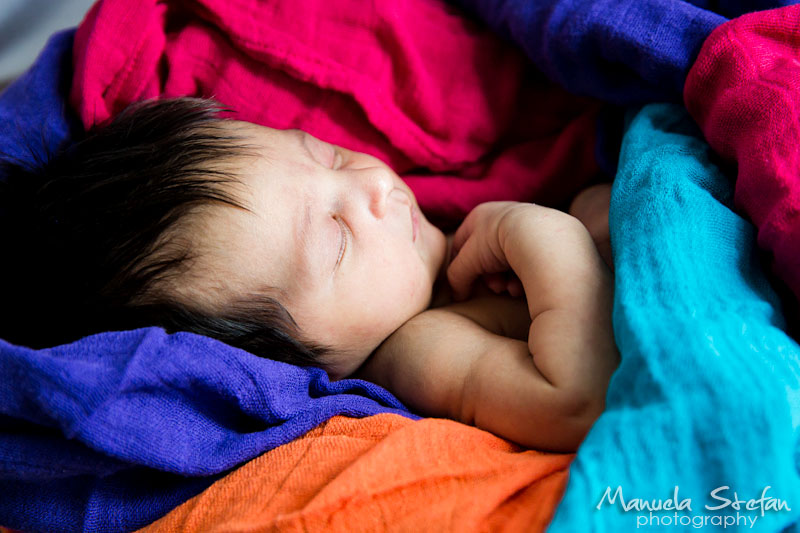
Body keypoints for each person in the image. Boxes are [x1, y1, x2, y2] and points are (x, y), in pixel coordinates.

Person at [0, 97, 618, 452]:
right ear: (290, 360)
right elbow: (574, 402)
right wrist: (549, 235)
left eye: (329, 155)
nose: (373, 185)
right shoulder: (421, 348)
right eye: (340, 238)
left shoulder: (420, 273)